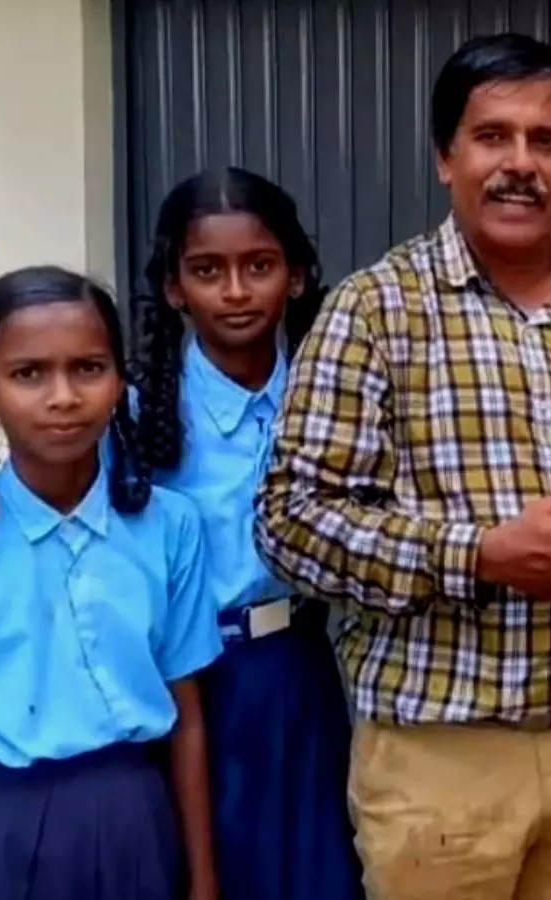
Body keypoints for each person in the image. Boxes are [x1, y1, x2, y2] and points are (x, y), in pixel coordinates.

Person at [257, 31, 551, 900]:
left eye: (545, 141)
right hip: (440, 759)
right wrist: (480, 556)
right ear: (445, 157)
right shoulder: (373, 312)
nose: (521, 164)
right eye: (492, 137)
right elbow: (290, 523)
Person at [0, 265, 221, 900]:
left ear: (118, 382)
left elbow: (188, 720)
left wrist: (202, 881)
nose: (63, 396)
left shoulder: (171, 530)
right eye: (28, 373)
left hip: (137, 821)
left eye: (88, 368)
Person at [131, 166, 362, 899]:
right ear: (174, 287)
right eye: (207, 271)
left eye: (258, 266)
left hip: (303, 668)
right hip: (188, 686)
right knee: (211, 874)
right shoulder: (138, 412)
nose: (235, 291)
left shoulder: (334, 394)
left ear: (295, 276)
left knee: (320, 869)